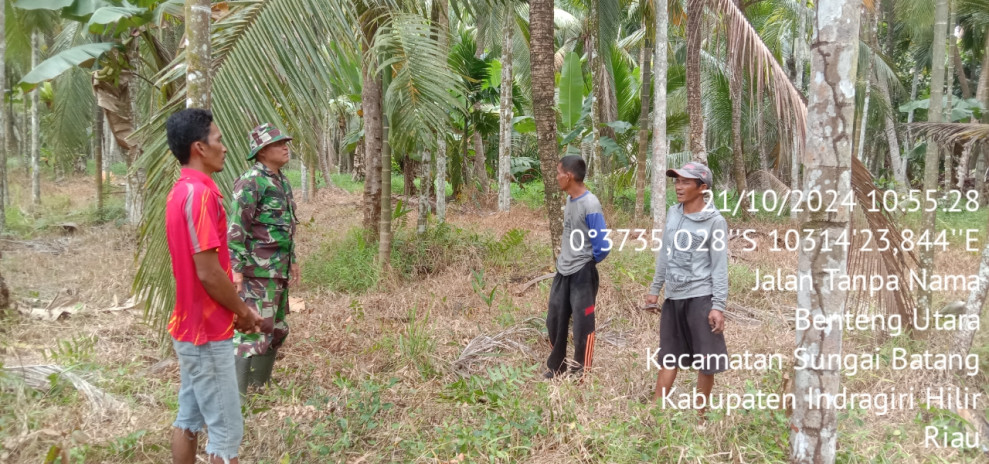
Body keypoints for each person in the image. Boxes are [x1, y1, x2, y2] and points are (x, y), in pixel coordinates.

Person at [164, 108, 264, 464]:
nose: (224, 147)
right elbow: (208, 272)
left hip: (191, 329)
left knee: (188, 418)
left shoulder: (181, 192)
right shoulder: (200, 196)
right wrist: (242, 311)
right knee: (225, 434)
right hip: (206, 333)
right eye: (218, 140)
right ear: (199, 148)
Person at [644, 161, 729, 417]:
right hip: (673, 298)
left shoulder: (715, 222)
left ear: (702, 188)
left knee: (707, 361)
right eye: (677, 181)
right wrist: (655, 288)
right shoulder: (673, 213)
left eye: (685, 182)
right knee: (668, 356)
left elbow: (719, 266)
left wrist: (718, 306)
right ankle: (656, 411)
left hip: (700, 298)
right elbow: (665, 253)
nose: (678, 187)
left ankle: (699, 414)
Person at [228, 123, 299, 394]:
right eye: (277, 144)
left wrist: (293, 261)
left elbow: (287, 227)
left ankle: (260, 384)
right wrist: (237, 271)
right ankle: (239, 394)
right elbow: (237, 228)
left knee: (277, 328)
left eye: (285, 143)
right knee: (252, 330)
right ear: (261, 152)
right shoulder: (251, 181)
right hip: (257, 272)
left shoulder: (281, 181)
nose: (285, 148)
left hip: (277, 270)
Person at [545, 155, 610, 379]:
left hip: (583, 273)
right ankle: (557, 367)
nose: (557, 177)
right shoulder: (570, 201)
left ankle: (581, 372)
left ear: (569, 176)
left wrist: (586, 263)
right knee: (554, 319)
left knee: (583, 325)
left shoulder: (590, 204)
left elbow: (603, 245)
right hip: (563, 271)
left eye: (558, 172)